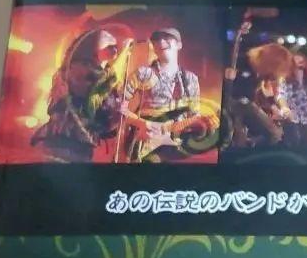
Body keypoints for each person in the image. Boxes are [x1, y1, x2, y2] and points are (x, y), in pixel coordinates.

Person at [31, 28, 123, 162]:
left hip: (82, 147)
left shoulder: (108, 80)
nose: (113, 42)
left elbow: (102, 120)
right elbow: (83, 104)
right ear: (90, 44)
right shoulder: (77, 70)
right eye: (106, 38)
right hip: (62, 143)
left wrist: (117, 116)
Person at [121, 28, 202, 162]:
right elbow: (119, 108)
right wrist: (142, 123)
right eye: (156, 40)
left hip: (175, 147)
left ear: (179, 45)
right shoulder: (143, 73)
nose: (161, 41)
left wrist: (202, 123)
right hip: (146, 143)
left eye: (167, 38)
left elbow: (194, 115)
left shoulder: (190, 79)